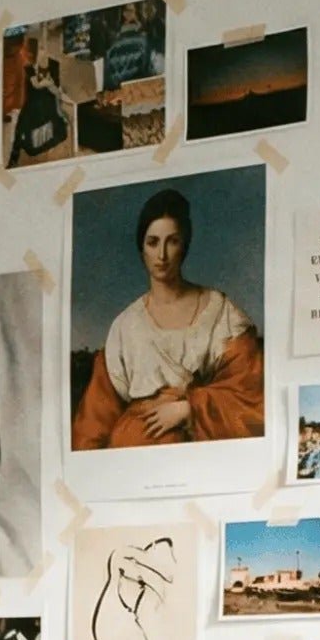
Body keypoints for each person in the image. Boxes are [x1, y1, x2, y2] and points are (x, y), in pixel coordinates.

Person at [71, 186, 264, 451]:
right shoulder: (125, 326)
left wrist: (188, 409)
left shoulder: (221, 313)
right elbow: (94, 422)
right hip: (132, 459)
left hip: (203, 455)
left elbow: (251, 396)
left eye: (172, 241)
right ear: (142, 248)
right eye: (153, 242)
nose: (161, 255)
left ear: (184, 246)